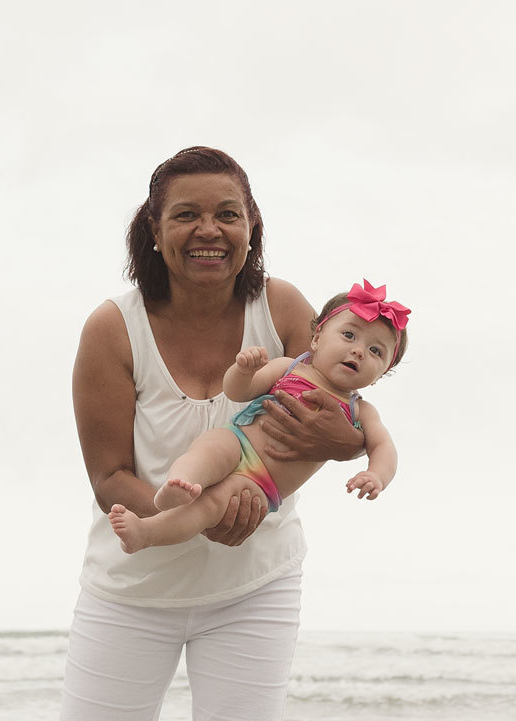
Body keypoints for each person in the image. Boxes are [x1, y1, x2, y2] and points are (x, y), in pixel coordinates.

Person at [61, 147, 369, 721]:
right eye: (185, 215)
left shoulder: (279, 307)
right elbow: (108, 479)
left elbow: (348, 416)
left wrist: (352, 445)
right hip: (132, 586)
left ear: (252, 226)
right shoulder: (113, 328)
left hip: (256, 585)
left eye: (228, 214)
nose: (209, 230)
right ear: (154, 230)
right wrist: (201, 514)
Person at [108, 280, 410, 554]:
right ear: (317, 338)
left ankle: (146, 533)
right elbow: (239, 391)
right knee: (209, 446)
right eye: (348, 335)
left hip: (261, 484)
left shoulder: (361, 411)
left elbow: (384, 448)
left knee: (211, 506)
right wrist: (243, 370)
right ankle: (181, 482)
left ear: (381, 375)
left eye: (375, 351)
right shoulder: (290, 367)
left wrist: (376, 475)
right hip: (238, 440)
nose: (358, 351)